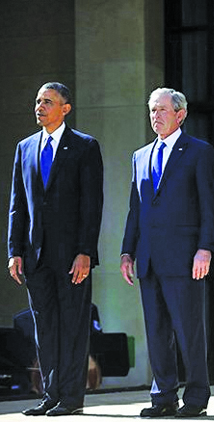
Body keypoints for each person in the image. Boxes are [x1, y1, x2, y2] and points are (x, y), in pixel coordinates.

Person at [121, 88, 214, 418]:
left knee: (188, 330)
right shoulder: (140, 156)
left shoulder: (198, 152)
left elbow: (210, 205)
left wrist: (205, 249)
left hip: (186, 258)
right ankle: (162, 397)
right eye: (152, 110)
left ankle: (195, 398)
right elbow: (136, 209)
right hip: (148, 258)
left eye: (162, 110)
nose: (156, 115)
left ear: (180, 114)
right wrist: (126, 252)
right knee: (157, 331)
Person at [7, 82, 104, 416]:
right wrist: (14, 251)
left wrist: (85, 252)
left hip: (72, 256)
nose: (40, 107)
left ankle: (72, 398)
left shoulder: (84, 147)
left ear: (65, 108)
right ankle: (51, 395)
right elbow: (18, 205)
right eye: (37, 101)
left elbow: (92, 205)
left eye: (47, 102)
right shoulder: (25, 148)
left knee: (73, 326)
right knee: (45, 327)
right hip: (35, 256)